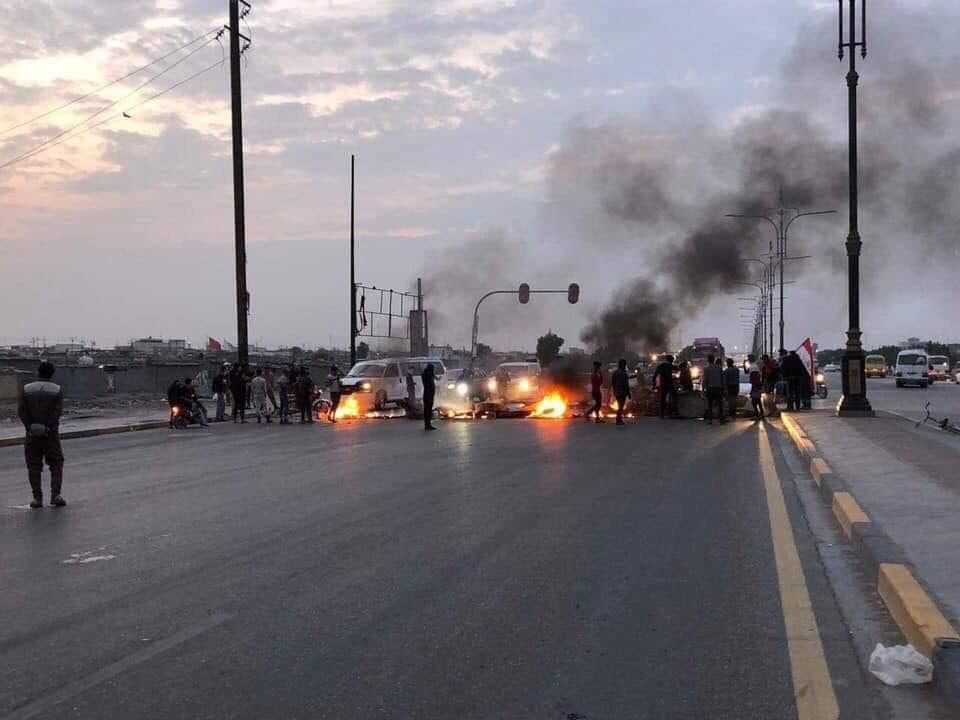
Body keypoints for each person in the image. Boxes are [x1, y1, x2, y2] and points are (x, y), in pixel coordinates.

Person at [18, 361, 66, 508]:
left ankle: (37, 499)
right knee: (56, 463)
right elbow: (56, 412)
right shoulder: (57, 390)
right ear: (52, 374)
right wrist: (47, 428)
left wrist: (30, 427)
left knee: (33, 465)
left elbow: (22, 411)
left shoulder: (27, 389)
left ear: (38, 373)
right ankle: (55, 495)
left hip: (32, 435)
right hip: (50, 435)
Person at [702, 354, 726, 425]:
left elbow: (705, 380)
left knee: (710, 405)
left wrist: (703, 389)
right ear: (714, 359)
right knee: (720, 404)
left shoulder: (706, 369)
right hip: (718, 388)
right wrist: (724, 389)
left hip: (710, 389)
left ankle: (710, 420)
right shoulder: (719, 368)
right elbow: (723, 379)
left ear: (708, 360)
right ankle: (721, 420)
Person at [652, 354, 676, 419]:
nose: (672, 361)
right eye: (672, 360)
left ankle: (662, 414)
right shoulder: (670, 365)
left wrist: (654, 384)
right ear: (671, 360)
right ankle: (673, 412)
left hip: (663, 384)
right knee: (674, 397)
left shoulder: (661, 366)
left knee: (662, 398)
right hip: (669, 384)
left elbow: (655, 375)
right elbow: (678, 368)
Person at [611, 358, 631, 426]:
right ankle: (618, 419)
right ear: (623, 365)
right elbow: (626, 384)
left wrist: (614, 390)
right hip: (622, 392)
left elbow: (613, 382)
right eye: (625, 364)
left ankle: (619, 419)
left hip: (617, 392)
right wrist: (628, 393)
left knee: (620, 405)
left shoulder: (615, 372)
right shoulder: (623, 373)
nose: (625, 366)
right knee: (621, 406)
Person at [747, 354, 764, 420]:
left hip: (755, 386)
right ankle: (761, 414)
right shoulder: (754, 366)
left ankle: (757, 415)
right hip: (757, 385)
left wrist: (754, 387)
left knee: (754, 402)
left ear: (751, 359)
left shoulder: (753, 367)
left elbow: (755, 377)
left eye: (748, 359)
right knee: (758, 401)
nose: (748, 360)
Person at [422, 363, 437, 431]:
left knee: (427, 410)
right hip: (429, 395)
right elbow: (430, 385)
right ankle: (428, 425)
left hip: (427, 394)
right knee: (428, 410)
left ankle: (427, 424)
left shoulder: (426, 374)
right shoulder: (428, 375)